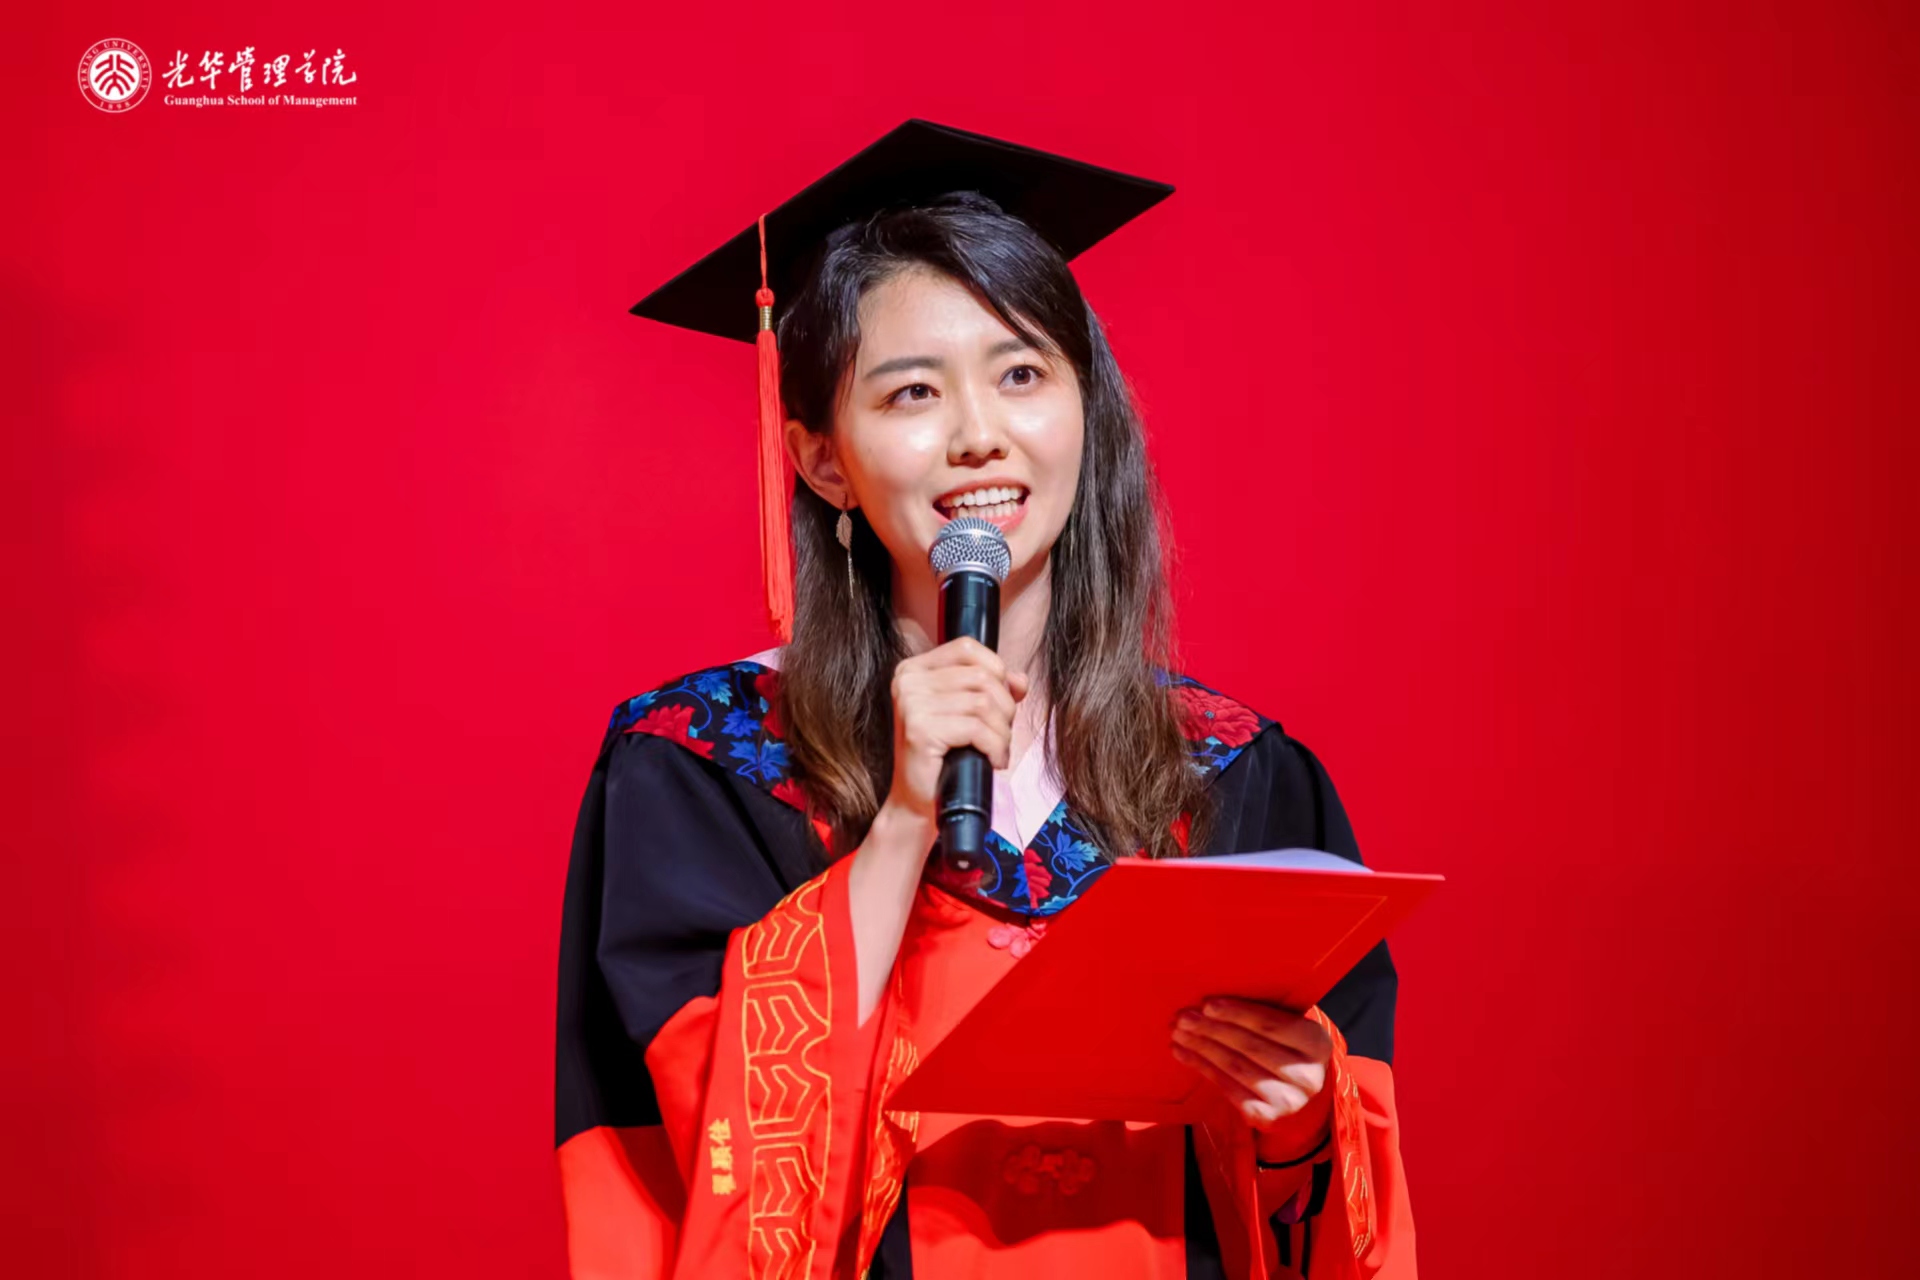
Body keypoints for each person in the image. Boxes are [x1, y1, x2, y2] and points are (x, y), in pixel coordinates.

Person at [555, 119, 1414, 1279]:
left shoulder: (1229, 774)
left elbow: (1342, 1194)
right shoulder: (706, 766)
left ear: (1085, 408)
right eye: (912, 391)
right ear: (820, 458)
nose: (978, 436)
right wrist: (903, 822)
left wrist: (1301, 1116)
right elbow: (710, 1164)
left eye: (1021, 373)